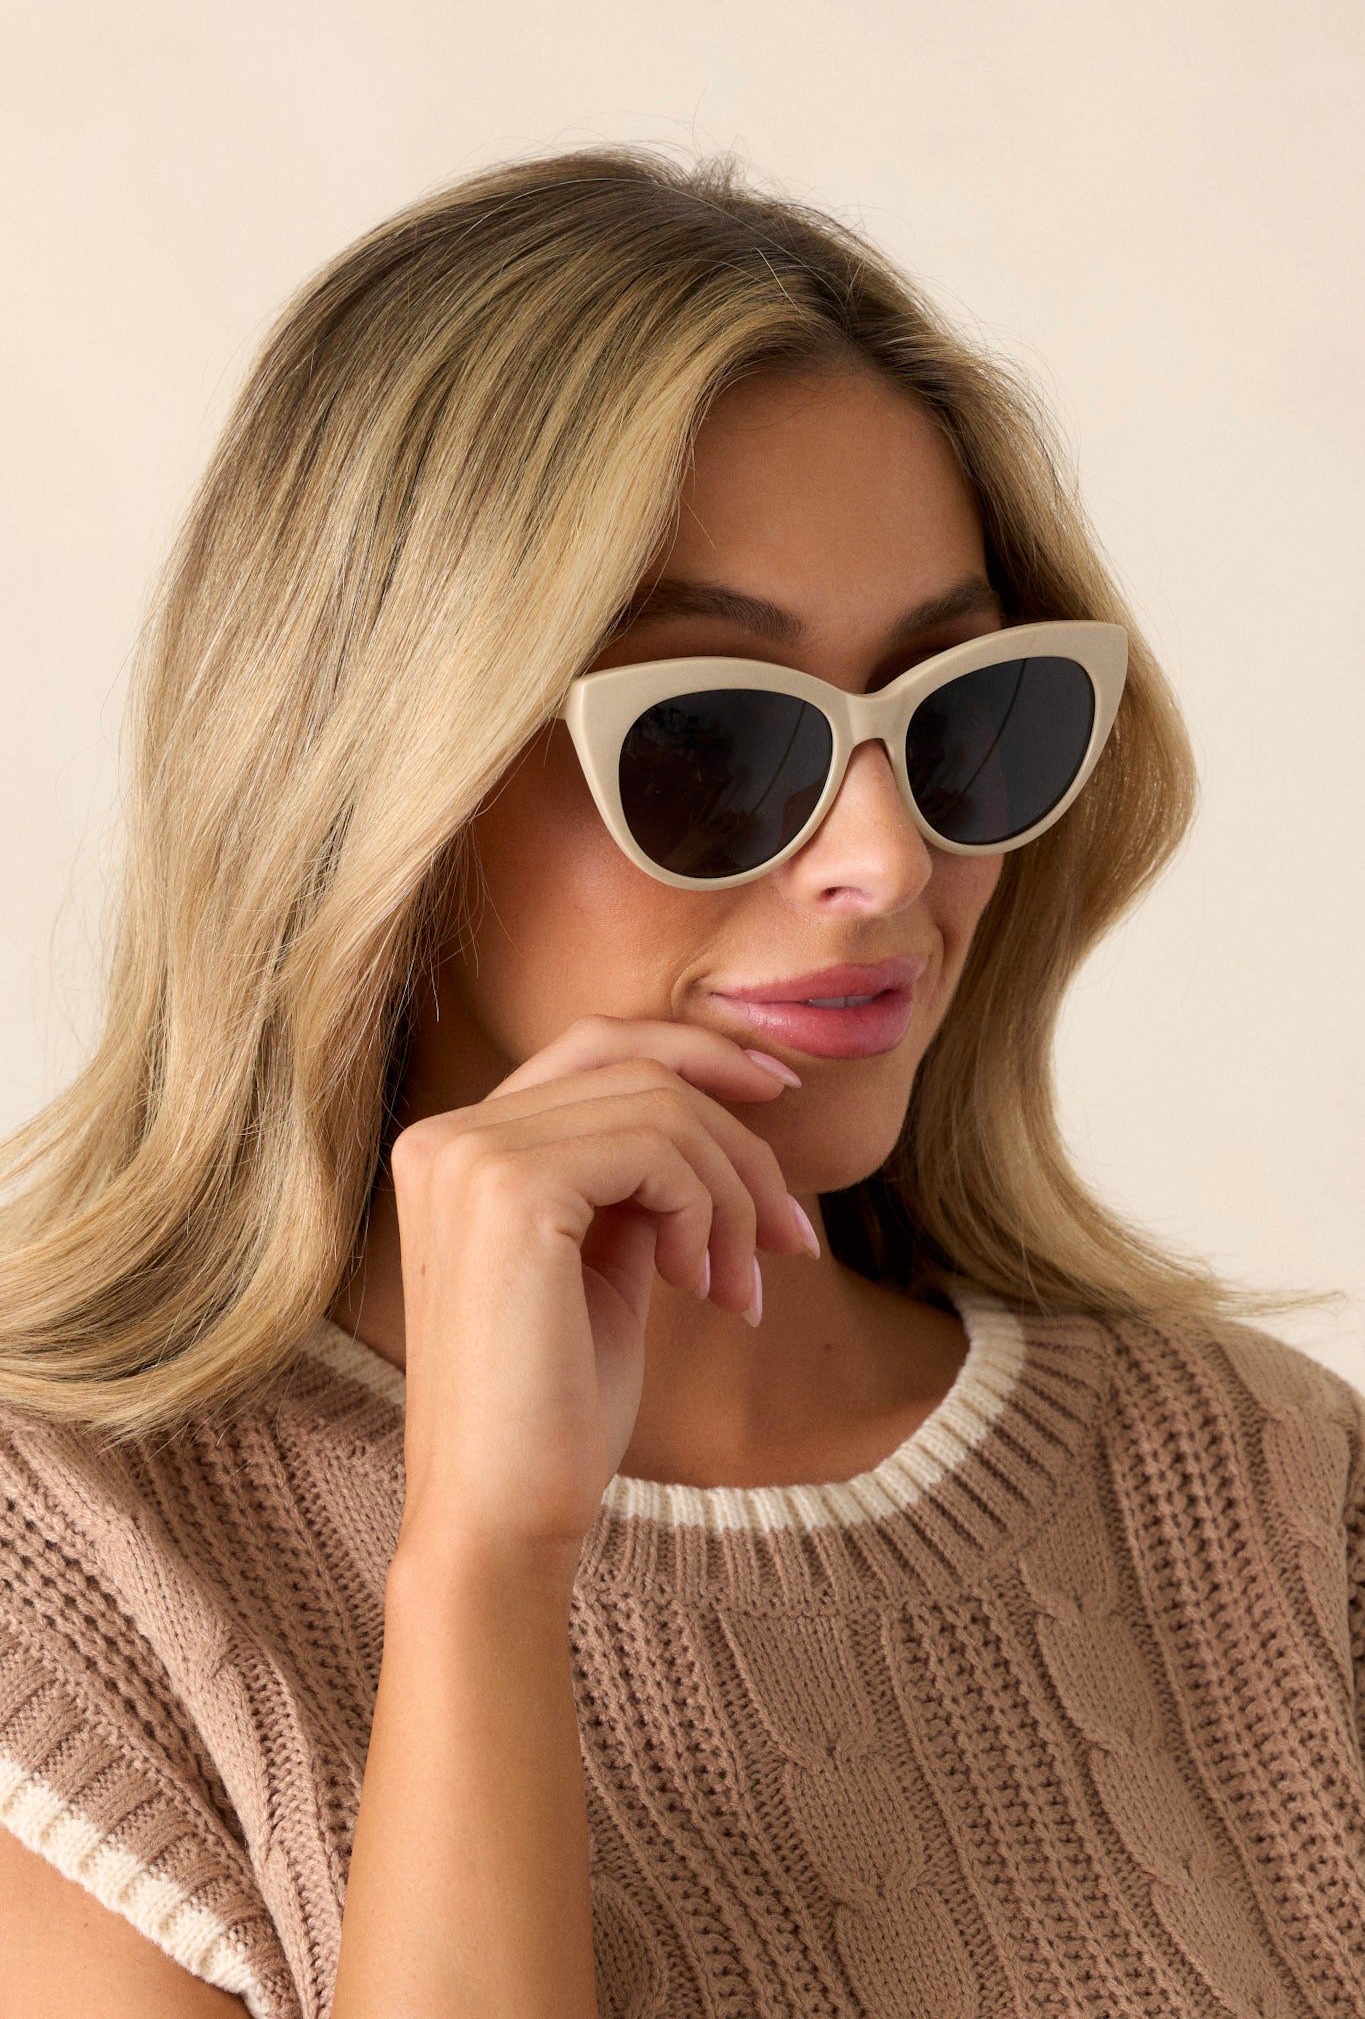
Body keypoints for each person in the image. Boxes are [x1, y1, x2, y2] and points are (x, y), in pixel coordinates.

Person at [0, 144, 1360, 2019]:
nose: (885, 862)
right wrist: (483, 1568)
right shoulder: (75, 1576)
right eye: (715, 738)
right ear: (382, 781)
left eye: (965, 717)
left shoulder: (1260, 1483)